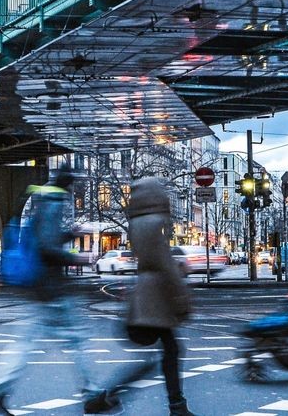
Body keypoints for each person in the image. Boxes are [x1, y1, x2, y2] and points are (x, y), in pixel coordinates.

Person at [0, 163, 97, 415]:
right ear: (68, 185)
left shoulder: (44, 201)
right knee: (76, 341)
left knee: (24, 344)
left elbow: (45, 240)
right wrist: (76, 258)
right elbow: (46, 248)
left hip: (40, 287)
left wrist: (70, 235)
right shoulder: (54, 203)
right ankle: (93, 393)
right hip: (51, 289)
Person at [84, 177, 196, 416]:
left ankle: (173, 405)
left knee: (168, 351)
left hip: (146, 294)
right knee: (169, 352)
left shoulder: (137, 221)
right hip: (157, 296)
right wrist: (180, 292)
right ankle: (111, 397)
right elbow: (163, 261)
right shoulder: (156, 222)